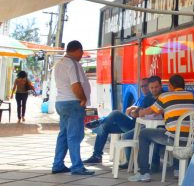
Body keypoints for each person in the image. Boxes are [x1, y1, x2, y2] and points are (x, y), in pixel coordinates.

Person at [128, 74, 194, 182]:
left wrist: (139, 113)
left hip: (173, 138)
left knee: (144, 134)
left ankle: (143, 172)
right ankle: (178, 169)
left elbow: (150, 111)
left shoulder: (166, 96)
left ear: (171, 85)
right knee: (175, 132)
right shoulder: (190, 96)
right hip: (191, 139)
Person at [82, 76, 161, 164]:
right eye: (142, 86)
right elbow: (128, 111)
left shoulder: (150, 98)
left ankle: (100, 121)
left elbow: (140, 113)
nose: (144, 88)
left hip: (138, 126)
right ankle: (96, 156)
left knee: (115, 113)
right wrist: (133, 110)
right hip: (133, 122)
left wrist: (135, 111)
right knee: (104, 127)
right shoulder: (142, 97)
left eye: (146, 86)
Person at [51, 40, 94, 175]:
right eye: (81, 52)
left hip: (61, 103)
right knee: (74, 135)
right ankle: (77, 166)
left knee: (63, 134)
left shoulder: (59, 64)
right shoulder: (73, 63)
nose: (81, 55)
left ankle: (58, 164)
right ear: (78, 50)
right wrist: (83, 98)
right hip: (73, 103)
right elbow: (75, 85)